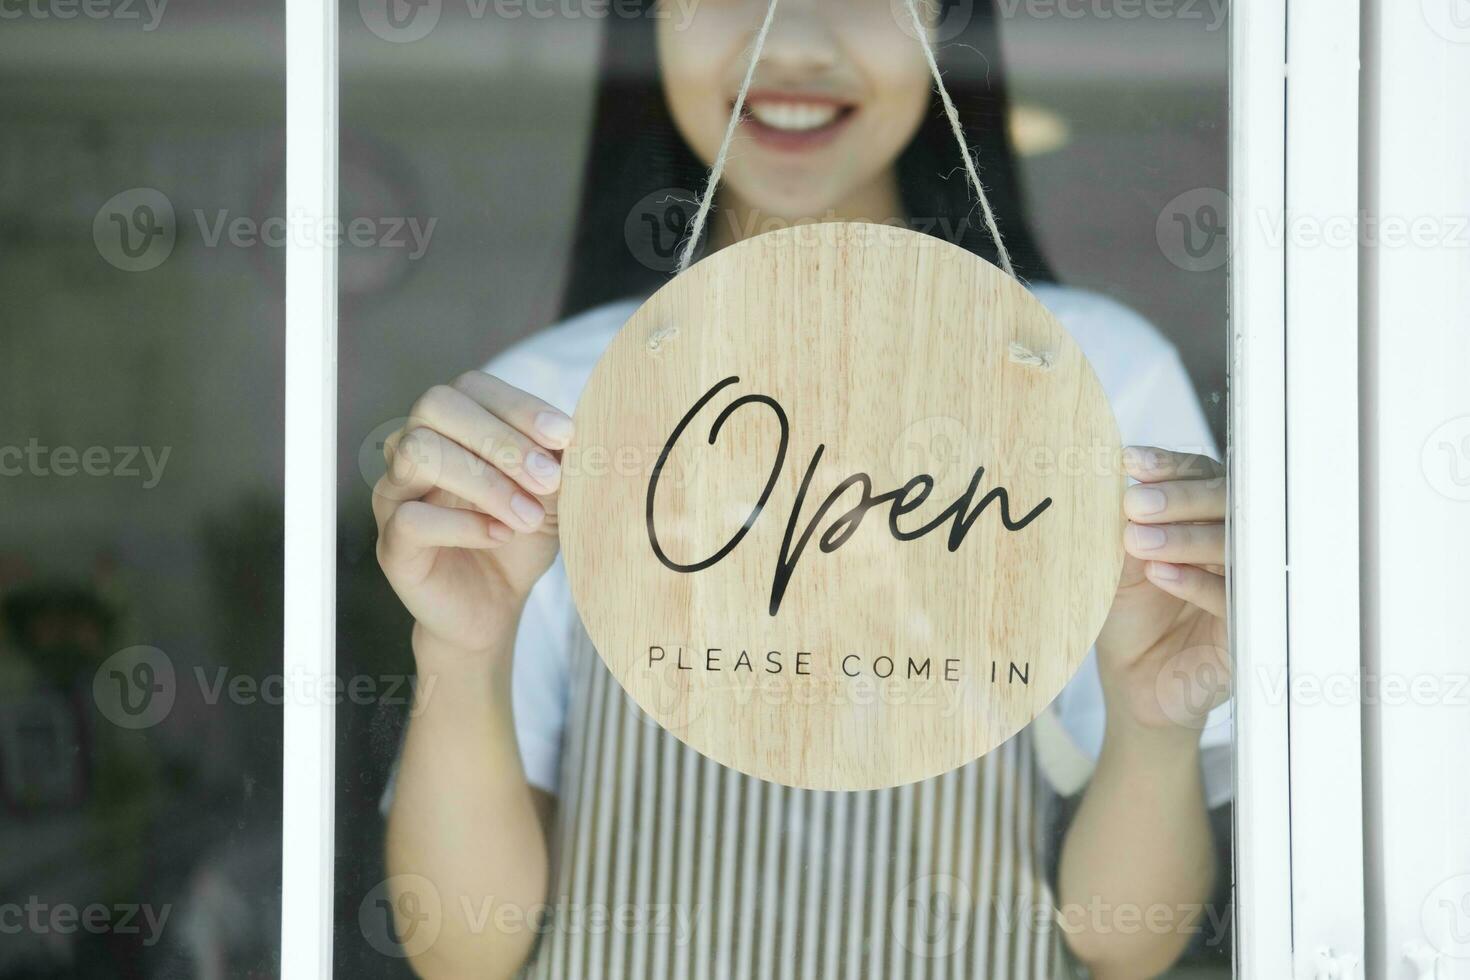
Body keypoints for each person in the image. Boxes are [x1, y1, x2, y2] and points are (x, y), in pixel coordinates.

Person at [376, 0, 1232, 976]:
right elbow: (460, 948)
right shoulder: (547, 412)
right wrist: (462, 648)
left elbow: (1128, 942)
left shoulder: (1095, 380)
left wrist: (1156, 727)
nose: (792, 41)